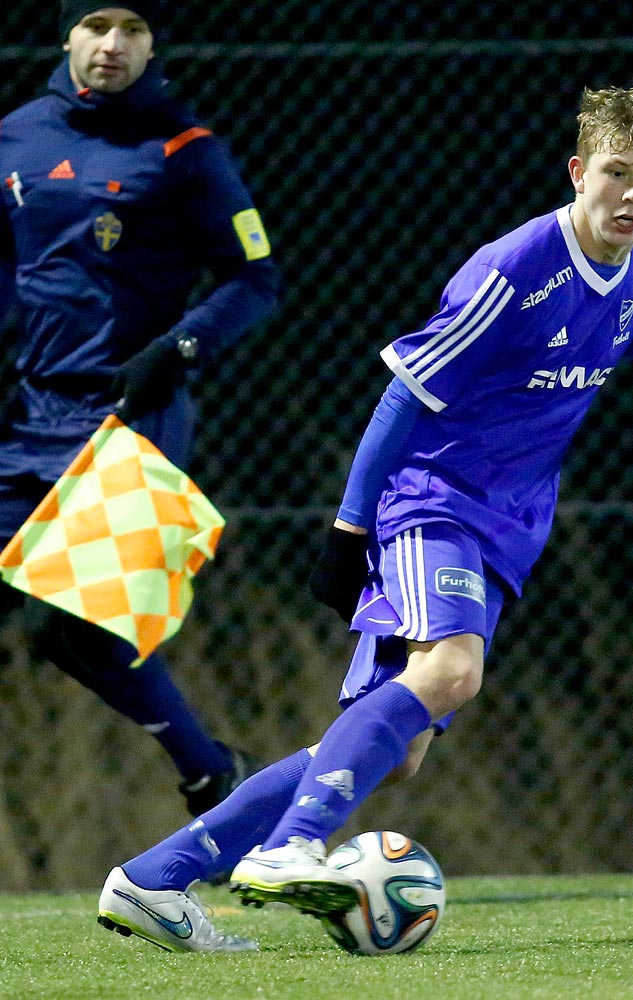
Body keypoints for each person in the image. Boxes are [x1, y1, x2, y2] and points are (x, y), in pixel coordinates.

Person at [95, 84, 633, 953]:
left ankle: (155, 879)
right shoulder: (515, 268)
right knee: (451, 671)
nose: (631, 195)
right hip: (429, 501)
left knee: (393, 745)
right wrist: (348, 529)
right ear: (577, 172)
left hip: (504, 530)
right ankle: (292, 846)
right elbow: (401, 394)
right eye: (616, 172)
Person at [0, 2, 279, 815]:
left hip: (132, 420)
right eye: (95, 25)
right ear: (66, 36)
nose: (112, 45)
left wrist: (179, 348)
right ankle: (212, 772)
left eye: (130, 29)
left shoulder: (186, 149)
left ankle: (208, 774)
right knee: (54, 627)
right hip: (30, 414)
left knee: (71, 626)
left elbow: (254, 281)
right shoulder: (16, 135)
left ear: (154, 42)